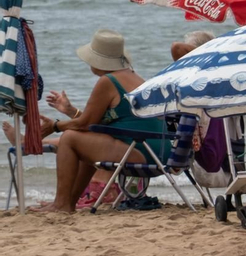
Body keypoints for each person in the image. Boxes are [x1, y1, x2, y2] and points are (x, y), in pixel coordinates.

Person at [33, 29, 171, 214]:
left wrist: (55, 126)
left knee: (70, 138)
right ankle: (68, 202)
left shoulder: (108, 81)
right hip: (160, 152)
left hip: (141, 151)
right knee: (83, 141)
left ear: (99, 61)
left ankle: (62, 204)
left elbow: (85, 124)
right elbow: (96, 122)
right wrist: (70, 111)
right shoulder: (135, 77)